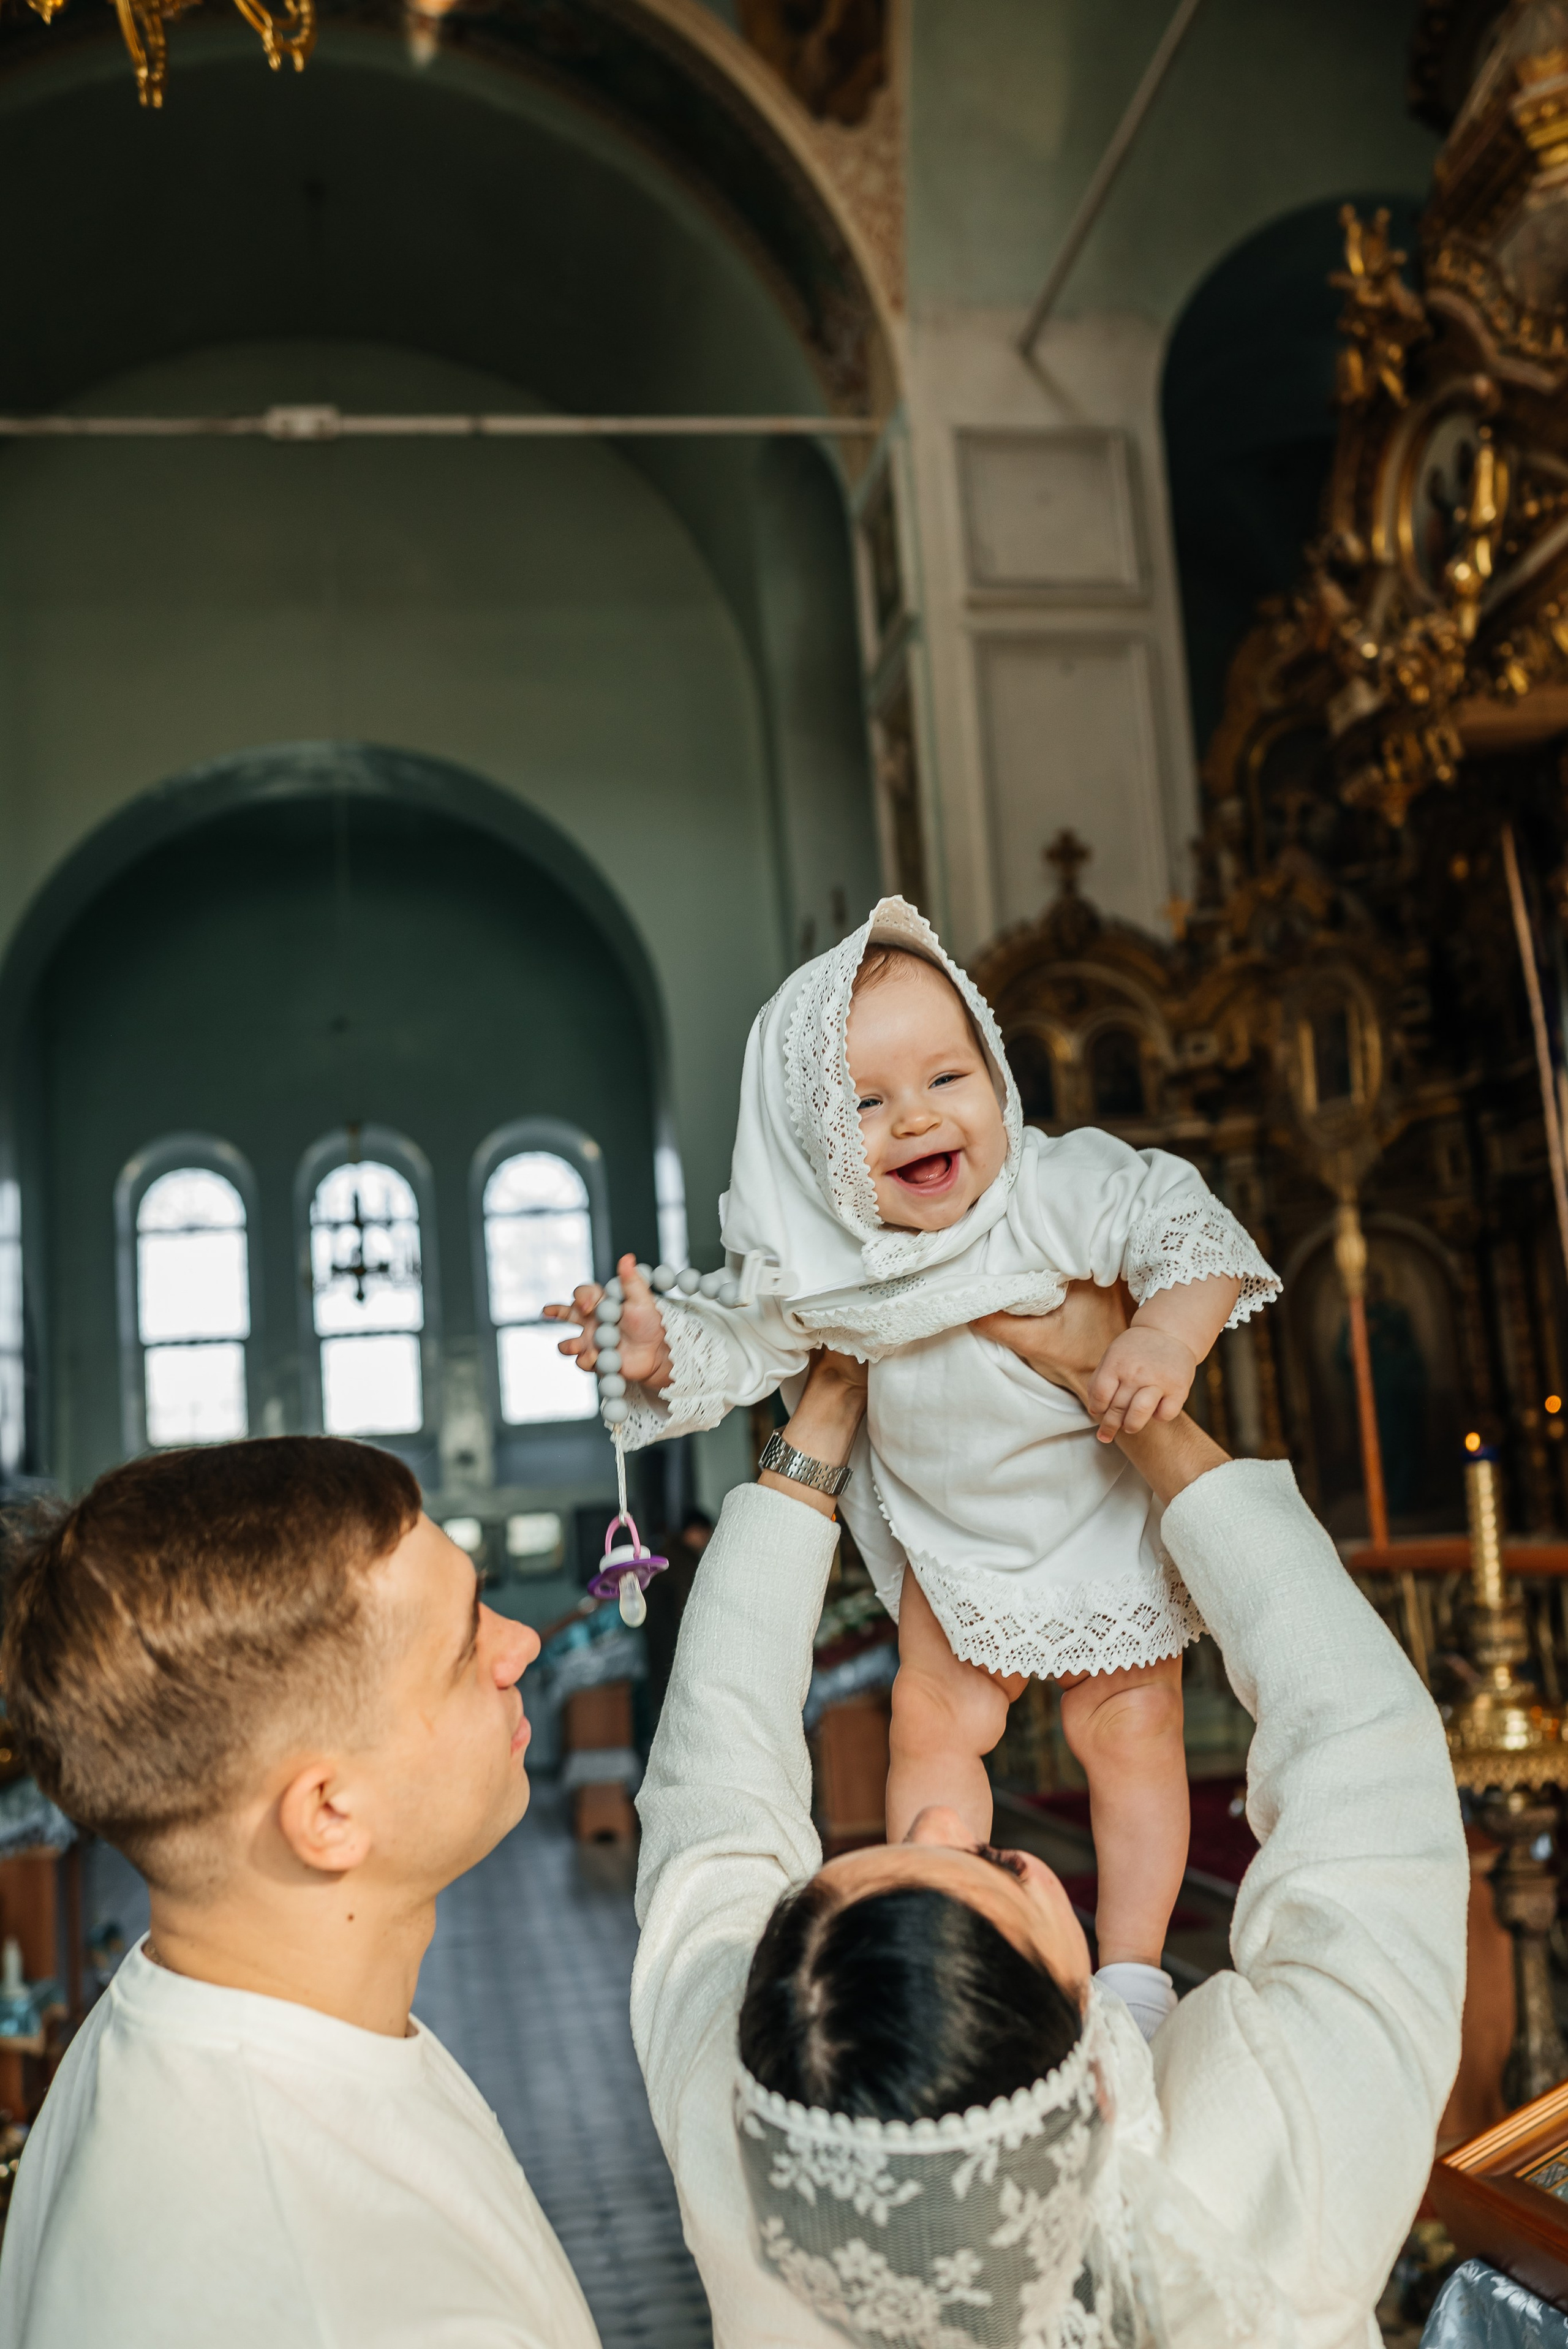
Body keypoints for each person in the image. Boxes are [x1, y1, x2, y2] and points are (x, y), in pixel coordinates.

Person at [630, 1282, 1468, 2349]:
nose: (932, 1824)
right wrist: (1120, 1397)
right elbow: (1367, 1751)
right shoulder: (1279, 2175)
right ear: (1088, 2068)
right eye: (993, 1861)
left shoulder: (755, 2137)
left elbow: (713, 1805)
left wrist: (830, 1405)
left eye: (863, 1863)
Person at [552, 895, 1280, 2024]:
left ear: (996, 1077)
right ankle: (946, 1919)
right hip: (954, 1550)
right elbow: (741, 1344)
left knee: (1131, 1734)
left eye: (948, 1079)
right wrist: (654, 1350)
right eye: (866, 1105)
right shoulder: (831, 1264)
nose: (917, 1120)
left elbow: (1188, 1230)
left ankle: (1133, 1970)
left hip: (1100, 1521)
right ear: (814, 1147)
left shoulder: (1053, 1190)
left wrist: (1161, 1333)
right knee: (931, 1727)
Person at [0, 1436, 600, 2349]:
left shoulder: (178, 2005)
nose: (520, 1643)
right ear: (326, 1813)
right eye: (464, 1639)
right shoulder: (350, 2300)